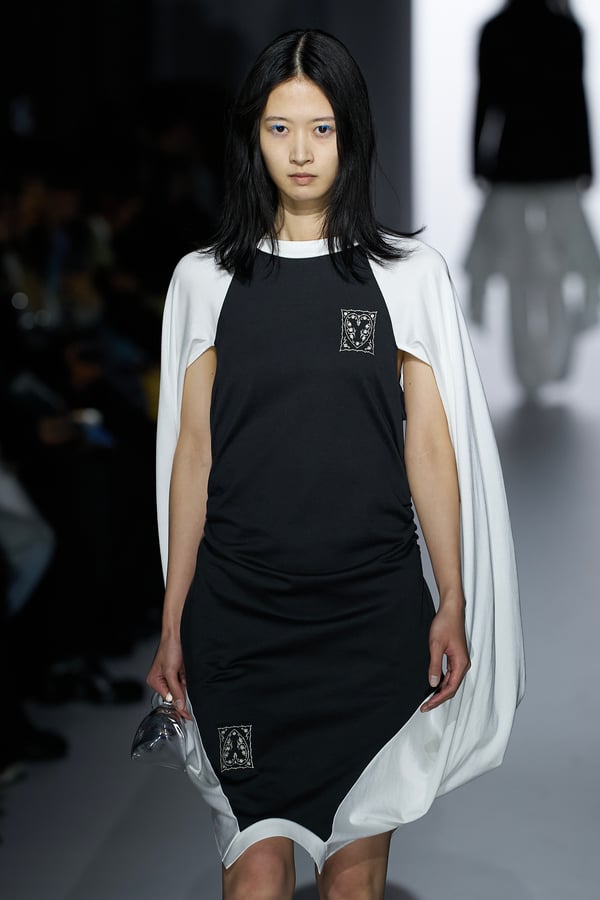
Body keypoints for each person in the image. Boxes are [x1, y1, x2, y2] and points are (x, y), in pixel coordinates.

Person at [147, 29, 525, 900]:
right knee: (254, 873)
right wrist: (171, 621)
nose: (301, 151)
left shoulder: (408, 276)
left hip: (369, 622)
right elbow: (192, 454)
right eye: (279, 129)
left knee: (354, 884)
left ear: (351, 133)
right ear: (252, 137)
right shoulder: (205, 281)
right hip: (239, 626)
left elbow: (430, 445)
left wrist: (453, 596)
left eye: (321, 128)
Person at [465, 0, 600, 393]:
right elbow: (575, 100)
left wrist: (478, 161)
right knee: (551, 266)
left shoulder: (497, 30)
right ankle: (550, 358)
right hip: (553, 166)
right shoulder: (565, 30)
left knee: (521, 267)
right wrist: (585, 164)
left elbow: (485, 100)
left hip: (514, 165)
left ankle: (538, 362)